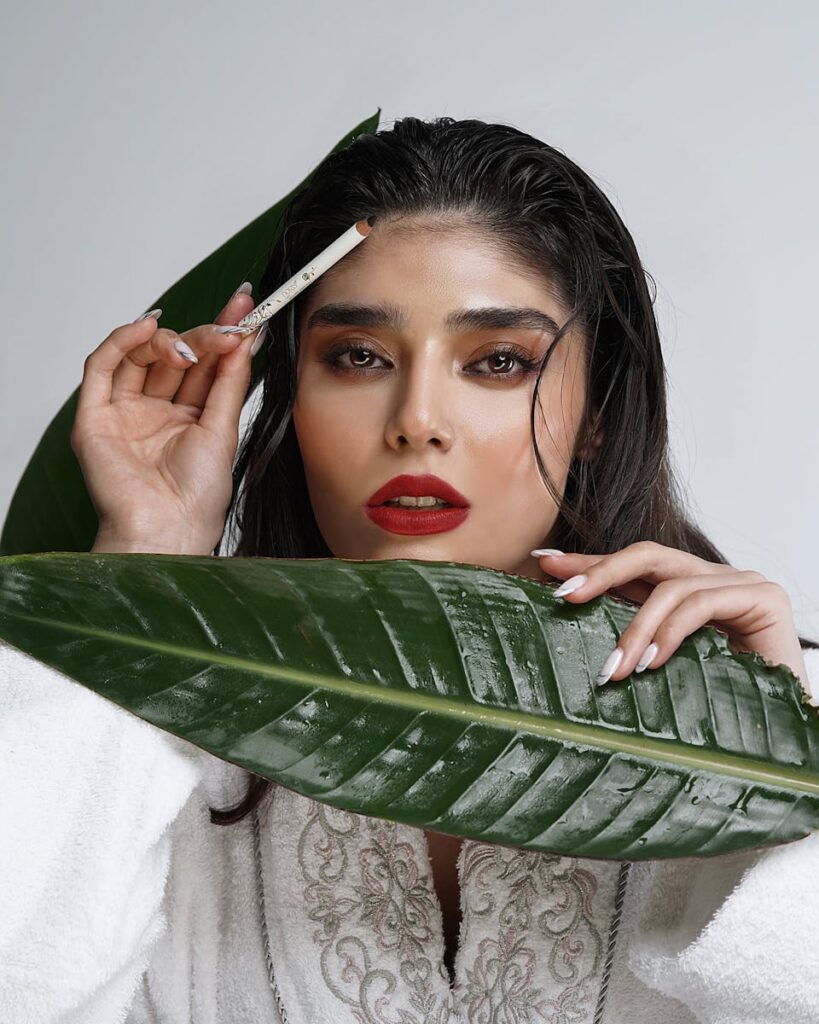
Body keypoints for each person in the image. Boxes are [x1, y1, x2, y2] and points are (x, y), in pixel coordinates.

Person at [2, 115, 818, 1023]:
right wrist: (140, 573)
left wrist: (783, 754)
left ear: (596, 411)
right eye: (358, 357)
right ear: (289, 394)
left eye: (498, 362)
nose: (416, 420)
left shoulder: (788, 689)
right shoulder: (146, 735)